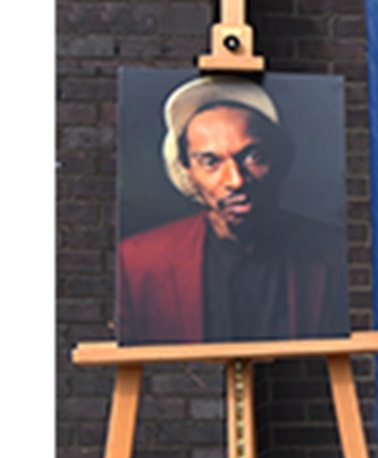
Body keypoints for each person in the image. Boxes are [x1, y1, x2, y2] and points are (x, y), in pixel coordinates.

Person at [116, 75, 347, 345]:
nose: (235, 180)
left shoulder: (336, 252)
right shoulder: (136, 263)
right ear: (187, 171)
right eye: (211, 162)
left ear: (279, 158)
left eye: (254, 157)